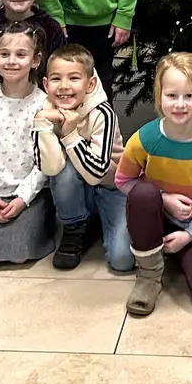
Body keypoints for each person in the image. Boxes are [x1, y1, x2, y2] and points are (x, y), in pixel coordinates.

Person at [116, 53, 192, 316]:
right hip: (151, 217)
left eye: (189, 96)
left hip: (190, 224)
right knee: (144, 194)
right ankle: (149, 273)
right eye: (172, 96)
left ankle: (178, 252)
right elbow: (123, 180)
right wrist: (163, 198)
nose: (180, 104)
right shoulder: (144, 138)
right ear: (159, 96)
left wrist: (190, 234)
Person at [33, 44, 129, 272]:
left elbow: (97, 174)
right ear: (46, 84)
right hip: (75, 189)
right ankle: (74, 226)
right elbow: (49, 167)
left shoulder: (102, 113)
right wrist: (43, 127)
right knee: (63, 170)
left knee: (122, 260)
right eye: (56, 79)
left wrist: (70, 135)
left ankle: (97, 221)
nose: (64, 86)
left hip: (110, 189)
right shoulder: (43, 112)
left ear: (90, 84)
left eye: (74, 78)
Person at [0, 20, 55, 267]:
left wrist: (22, 198)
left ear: (36, 60)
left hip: (31, 194)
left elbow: (44, 162)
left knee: (19, 252)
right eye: (5, 54)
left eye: (21, 54)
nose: (12, 61)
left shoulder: (44, 103)